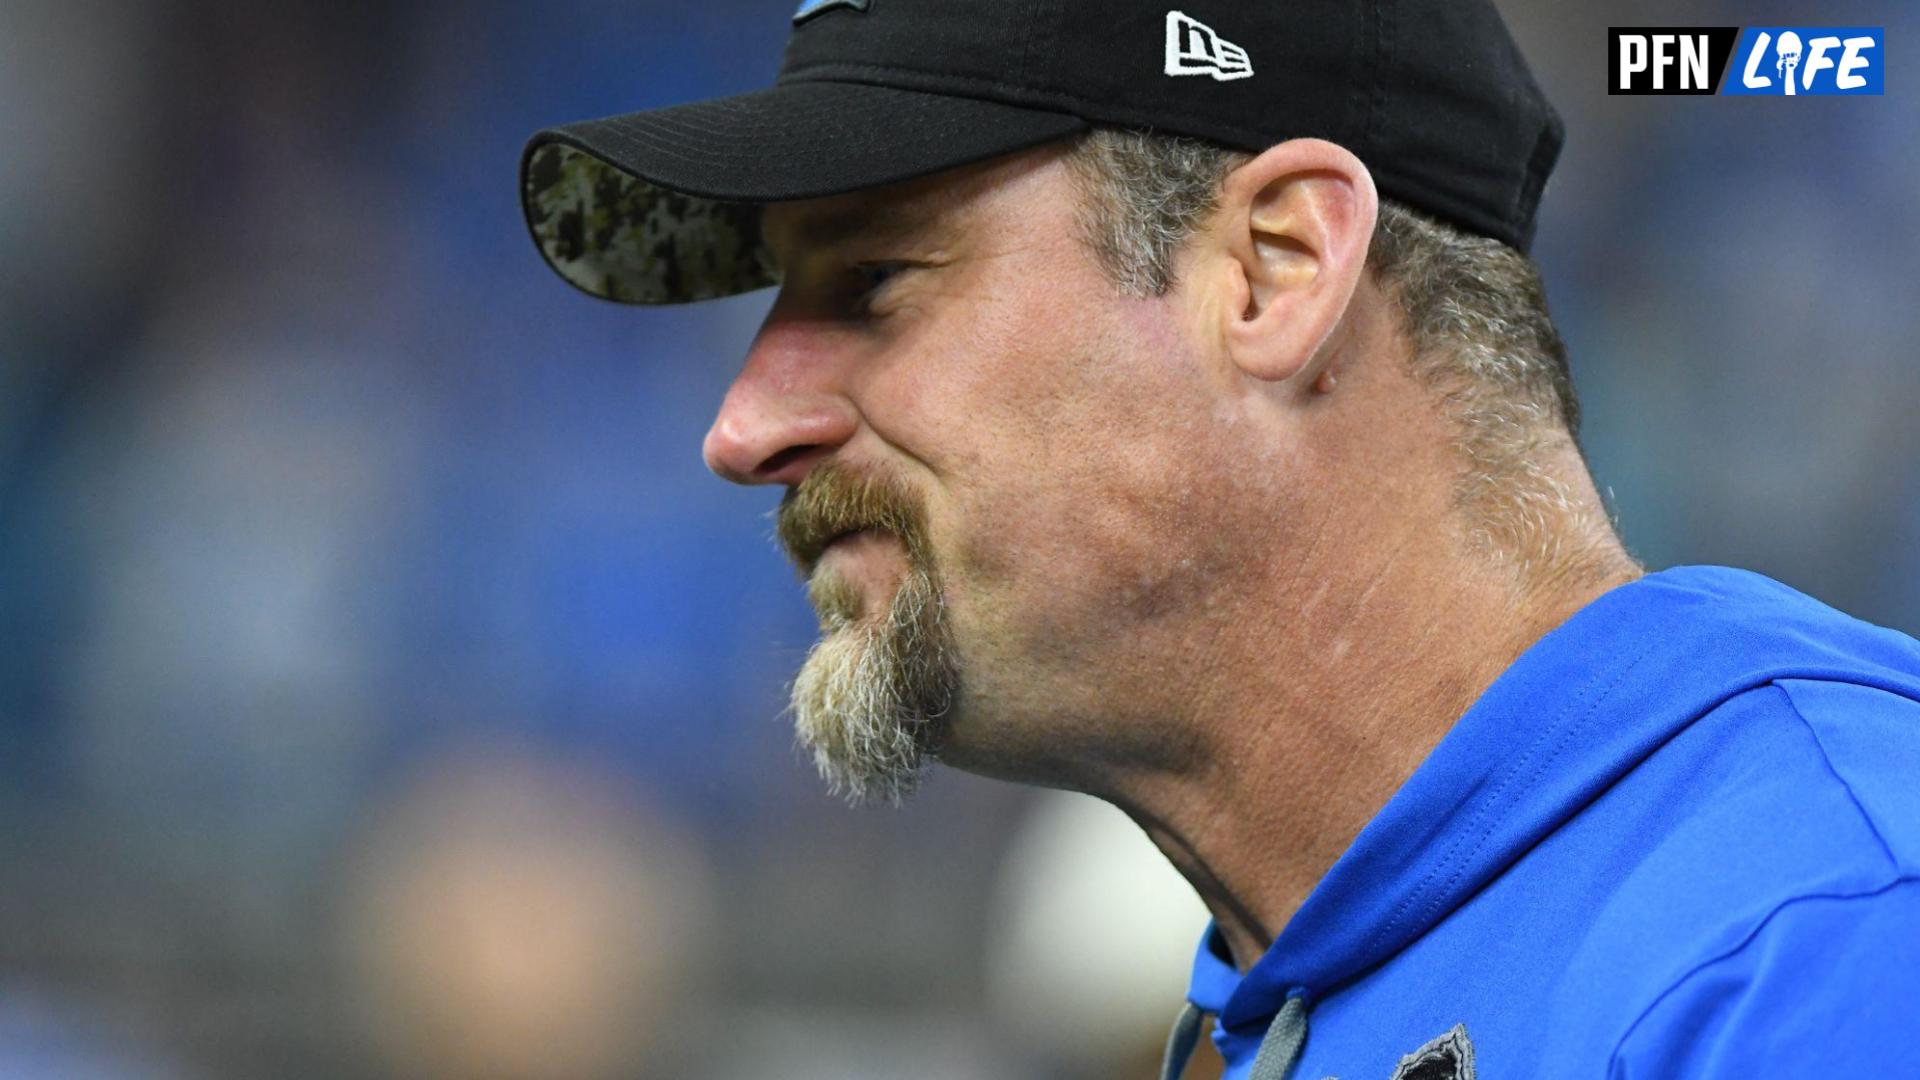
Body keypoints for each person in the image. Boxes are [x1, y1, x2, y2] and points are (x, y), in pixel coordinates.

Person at [516, 1, 1920, 1076]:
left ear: (1274, 270)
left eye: (873, 281)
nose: (746, 424)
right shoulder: (1291, 987)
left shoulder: (1823, 931)